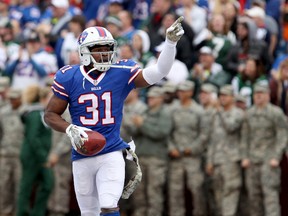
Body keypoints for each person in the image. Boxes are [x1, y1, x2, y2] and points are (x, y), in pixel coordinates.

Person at [44, 17, 184, 216]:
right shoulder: (69, 76)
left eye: (107, 48)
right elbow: (50, 114)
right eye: (98, 49)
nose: (104, 53)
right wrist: (69, 128)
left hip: (111, 151)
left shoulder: (121, 72)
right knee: (89, 212)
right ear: (84, 51)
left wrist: (170, 44)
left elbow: (159, 71)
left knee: (109, 205)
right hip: (82, 153)